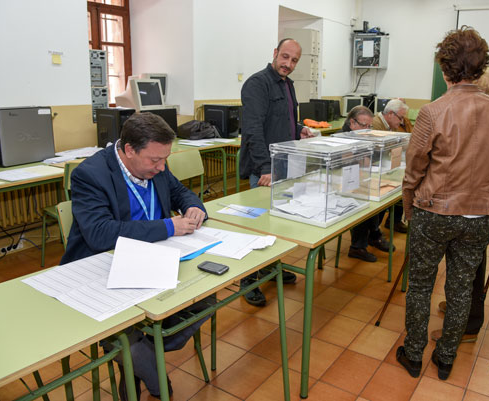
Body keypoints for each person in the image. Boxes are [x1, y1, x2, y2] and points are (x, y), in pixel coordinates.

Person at [396, 27, 489, 381]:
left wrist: (408, 207)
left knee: (420, 285)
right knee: (462, 287)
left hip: (433, 211)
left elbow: (414, 170)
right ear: (482, 66)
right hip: (479, 213)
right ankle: (446, 357)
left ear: (445, 67)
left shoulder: (433, 111)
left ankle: (415, 354)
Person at [62, 112, 211, 400]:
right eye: (155, 160)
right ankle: (150, 372)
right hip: (105, 265)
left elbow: (181, 192)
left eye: (165, 159)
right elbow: (100, 233)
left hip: (157, 259)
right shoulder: (90, 174)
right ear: (129, 150)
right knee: (126, 340)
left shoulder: (156, 162)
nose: (162, 166)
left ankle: (144, 356)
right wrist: (169, 225)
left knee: (208, 295)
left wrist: (195, 207)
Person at [238, 38, 313, 306]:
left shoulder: (288, 84)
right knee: (258, 226)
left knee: (278, 222)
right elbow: (253, 130)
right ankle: (248, 279)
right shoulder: (257, 84)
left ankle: (269, 267)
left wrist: (298, 130)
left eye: (294, 60)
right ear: (274, 54)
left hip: (285, 163)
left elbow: (282, 119)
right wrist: (265, 168)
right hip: (265, 168)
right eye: (285, 57)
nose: (288, 64)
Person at [431, 66, 489, 345]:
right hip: (474, 202)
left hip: (469, 202)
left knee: (469, 268)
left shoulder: (488, 114)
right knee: (468, 265)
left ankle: (467, 324)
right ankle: (462, 311)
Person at [341, 105, 392, 262]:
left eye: (369, 125)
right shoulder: (340, 137)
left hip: (363, 178)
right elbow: (341, 164)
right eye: (364, 125)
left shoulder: (365, 134)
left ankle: (374, 234)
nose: (367, 129)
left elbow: (373, 156)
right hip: (343, 183)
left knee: (382, 199)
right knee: (363, 203)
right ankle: (357, 247)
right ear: (352, 122)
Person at [371, 98, 413, 233]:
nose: (401, 122)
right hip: (374, 170)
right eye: (400, 118)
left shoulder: (390, 126)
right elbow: (381, 149)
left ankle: (393, 221)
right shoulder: (376, 124)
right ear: (390, 114)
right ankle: (374, 232)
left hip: (384, 167)